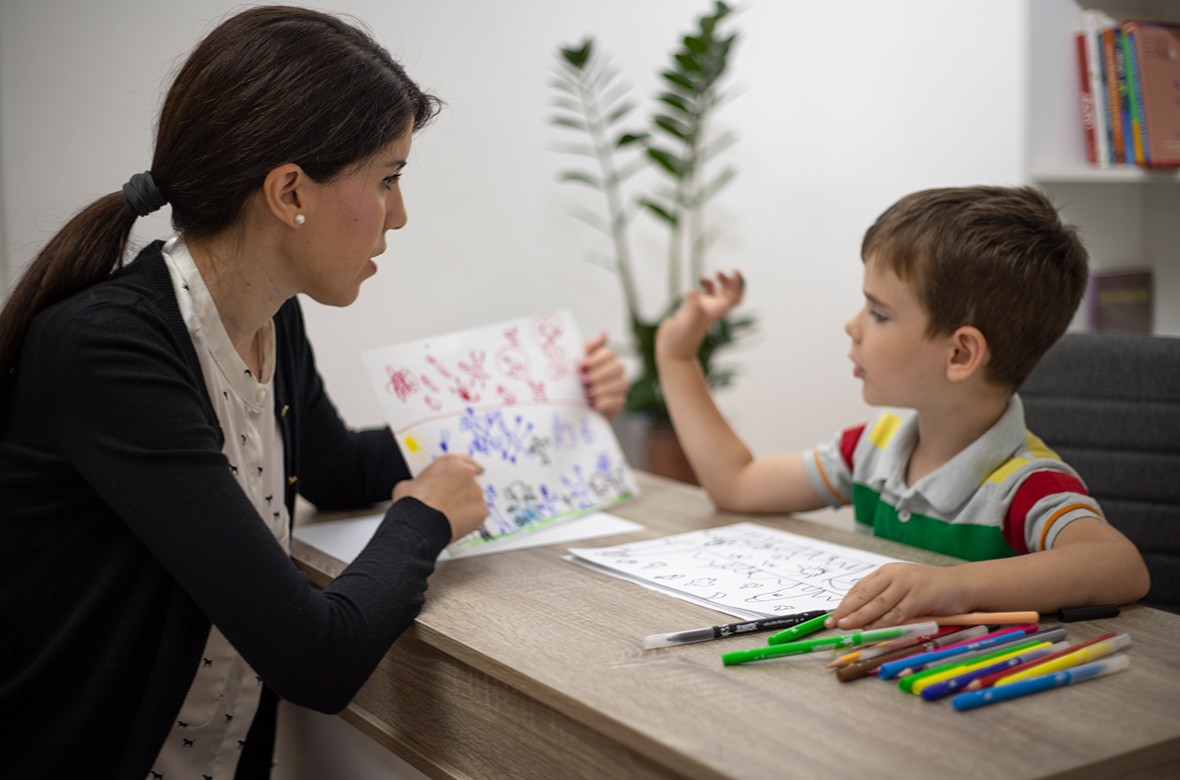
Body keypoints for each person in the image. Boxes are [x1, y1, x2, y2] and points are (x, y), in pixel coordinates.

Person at [0, 6, 628, 778]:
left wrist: (545, 410)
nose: (400, 215)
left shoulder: (271, 317)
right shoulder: (109, 351)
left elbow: (333, 466)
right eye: (388, 179)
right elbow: (314, 658)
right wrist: (424, 517)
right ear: (290, 192)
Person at [655, 185, 1150, 633]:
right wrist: (676, 358)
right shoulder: (874, 446)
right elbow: (735, 484)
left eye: (879, 312)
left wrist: (955, 585)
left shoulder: (1025, 484)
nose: (853, 326)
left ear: (960, 355)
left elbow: (1118, 565)